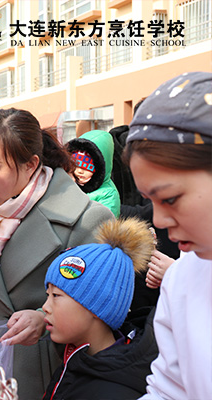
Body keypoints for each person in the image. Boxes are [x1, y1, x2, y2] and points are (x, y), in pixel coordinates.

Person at [0, 108, 114, 399]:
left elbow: (97, 304)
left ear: (31, 164)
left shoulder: (87, 218)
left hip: (39, 363)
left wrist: (42, 318)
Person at [122, 71, 212, 399]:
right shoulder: (183, 277)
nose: (159, 219)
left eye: (170, 199)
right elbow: (169, 388)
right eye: (151, 201)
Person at [42, 218, 158, 399]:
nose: (45, 307)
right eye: (47, 295)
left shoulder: (114, 391)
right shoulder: (75, 361)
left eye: (56, 296)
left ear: (98, 306)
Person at [66, 130, 121, 217]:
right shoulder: (70, 183)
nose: (80, 171)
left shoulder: (108, 194)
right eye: (76, 166)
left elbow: (105, 223)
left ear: (100, 168)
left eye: (87, 168)